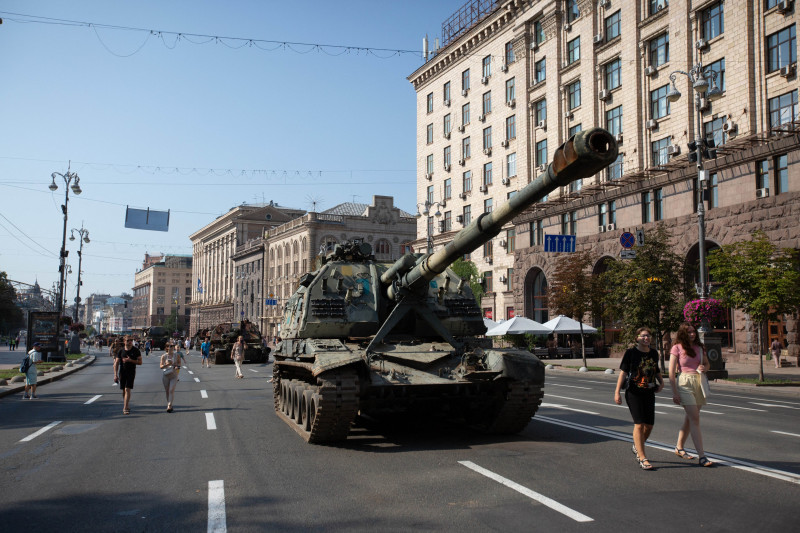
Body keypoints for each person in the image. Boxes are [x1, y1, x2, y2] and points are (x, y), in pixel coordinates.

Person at [614, 326, 663, 471]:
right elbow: (623, 373)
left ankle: (637, 445)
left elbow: (656, 369)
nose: (646, 338)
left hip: (649, 392)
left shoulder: (654, 353)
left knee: (649, 426)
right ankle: (642, 457)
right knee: (639, 424)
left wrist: (662, 381)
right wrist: (617, 392)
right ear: (637, 338)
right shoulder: (631, 353)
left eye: (648, 335)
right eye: (643, 336)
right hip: (633, 392)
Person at [669, 322, 715, 467]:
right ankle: (702, 456)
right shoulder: (676, 348)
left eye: (693, 332)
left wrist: (704, 367)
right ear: (683, 333)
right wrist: (674, 392)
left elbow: (707, 364)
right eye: (689, 332)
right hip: (684, 382)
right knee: (695, 419)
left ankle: (679, 447)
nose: (692, 334)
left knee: (690, 418)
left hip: (699, 381)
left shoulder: (700, 347)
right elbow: (671, 372)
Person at [113, 336, 142, 415]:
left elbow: (140, 362)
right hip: (122, 372)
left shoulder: (136, 350)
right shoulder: (121, 351)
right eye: (128, 340)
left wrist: (130, 360)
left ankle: (125, 407)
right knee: (123, 390)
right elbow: (116, 363)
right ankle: (127, 404)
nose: (130, 342)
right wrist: (115, 375)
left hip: (131, 372)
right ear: (124, 341)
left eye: (131, 340)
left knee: (127, 389)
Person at [160, 343, 185, 412]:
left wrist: (177, 366)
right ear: (167, 347)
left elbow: (179, 363)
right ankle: (169, 403)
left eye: (173, 346)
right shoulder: (164, 356)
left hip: (174, 374)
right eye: (170, 346)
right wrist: (167, 364)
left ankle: (169, 405)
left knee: (171, 390)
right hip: (166, 375)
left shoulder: (176, 355)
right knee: (167, 391)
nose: (172, 347)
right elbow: (161, 366)